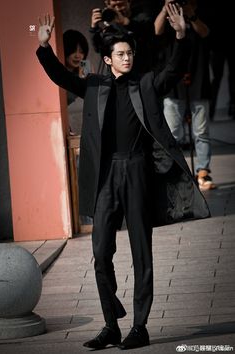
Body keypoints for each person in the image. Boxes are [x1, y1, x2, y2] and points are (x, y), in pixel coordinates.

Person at [36, 7, 210, 350]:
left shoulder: (145, 84)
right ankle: (111, 324)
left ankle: (140, 326)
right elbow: (60, 76)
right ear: (108, 58)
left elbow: (173, 70)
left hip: (137, 172)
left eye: (130, 53)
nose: (127, 58)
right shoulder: (95, 86)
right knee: (100, 253)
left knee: (141, 252)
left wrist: (180, 35)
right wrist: (44, 48)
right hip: (106, 175)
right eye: (121, 54)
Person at [154, 0, 216, 191]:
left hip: (198, 79)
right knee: (173, 132)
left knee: (201, 131)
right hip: (173, 83)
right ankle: (175, 173)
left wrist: (191, 15)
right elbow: (157, 31)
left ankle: (203, 172)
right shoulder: (168, 12)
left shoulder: (201, 13)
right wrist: (166, 8)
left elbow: (205, 33)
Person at [63, 29, 93, 231]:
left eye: (81, 51)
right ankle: (81, 223)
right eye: (73, 50)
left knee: (90, 179)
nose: (78, 55)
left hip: (89, 134)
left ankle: (92, 222)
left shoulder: (86, 71)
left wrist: (86, 80)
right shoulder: (60, 76)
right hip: (70, 136)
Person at [90, 0, 156, 74]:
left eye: (121, 5)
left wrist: (126, 22)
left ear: (129, 2)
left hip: (141, 73)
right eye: (113, 6)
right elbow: (98, 48)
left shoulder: (143, 18)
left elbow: (149, 38)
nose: (117, 9)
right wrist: (94, 28)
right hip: (116, 75)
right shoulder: (111, 24)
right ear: (107, 5)